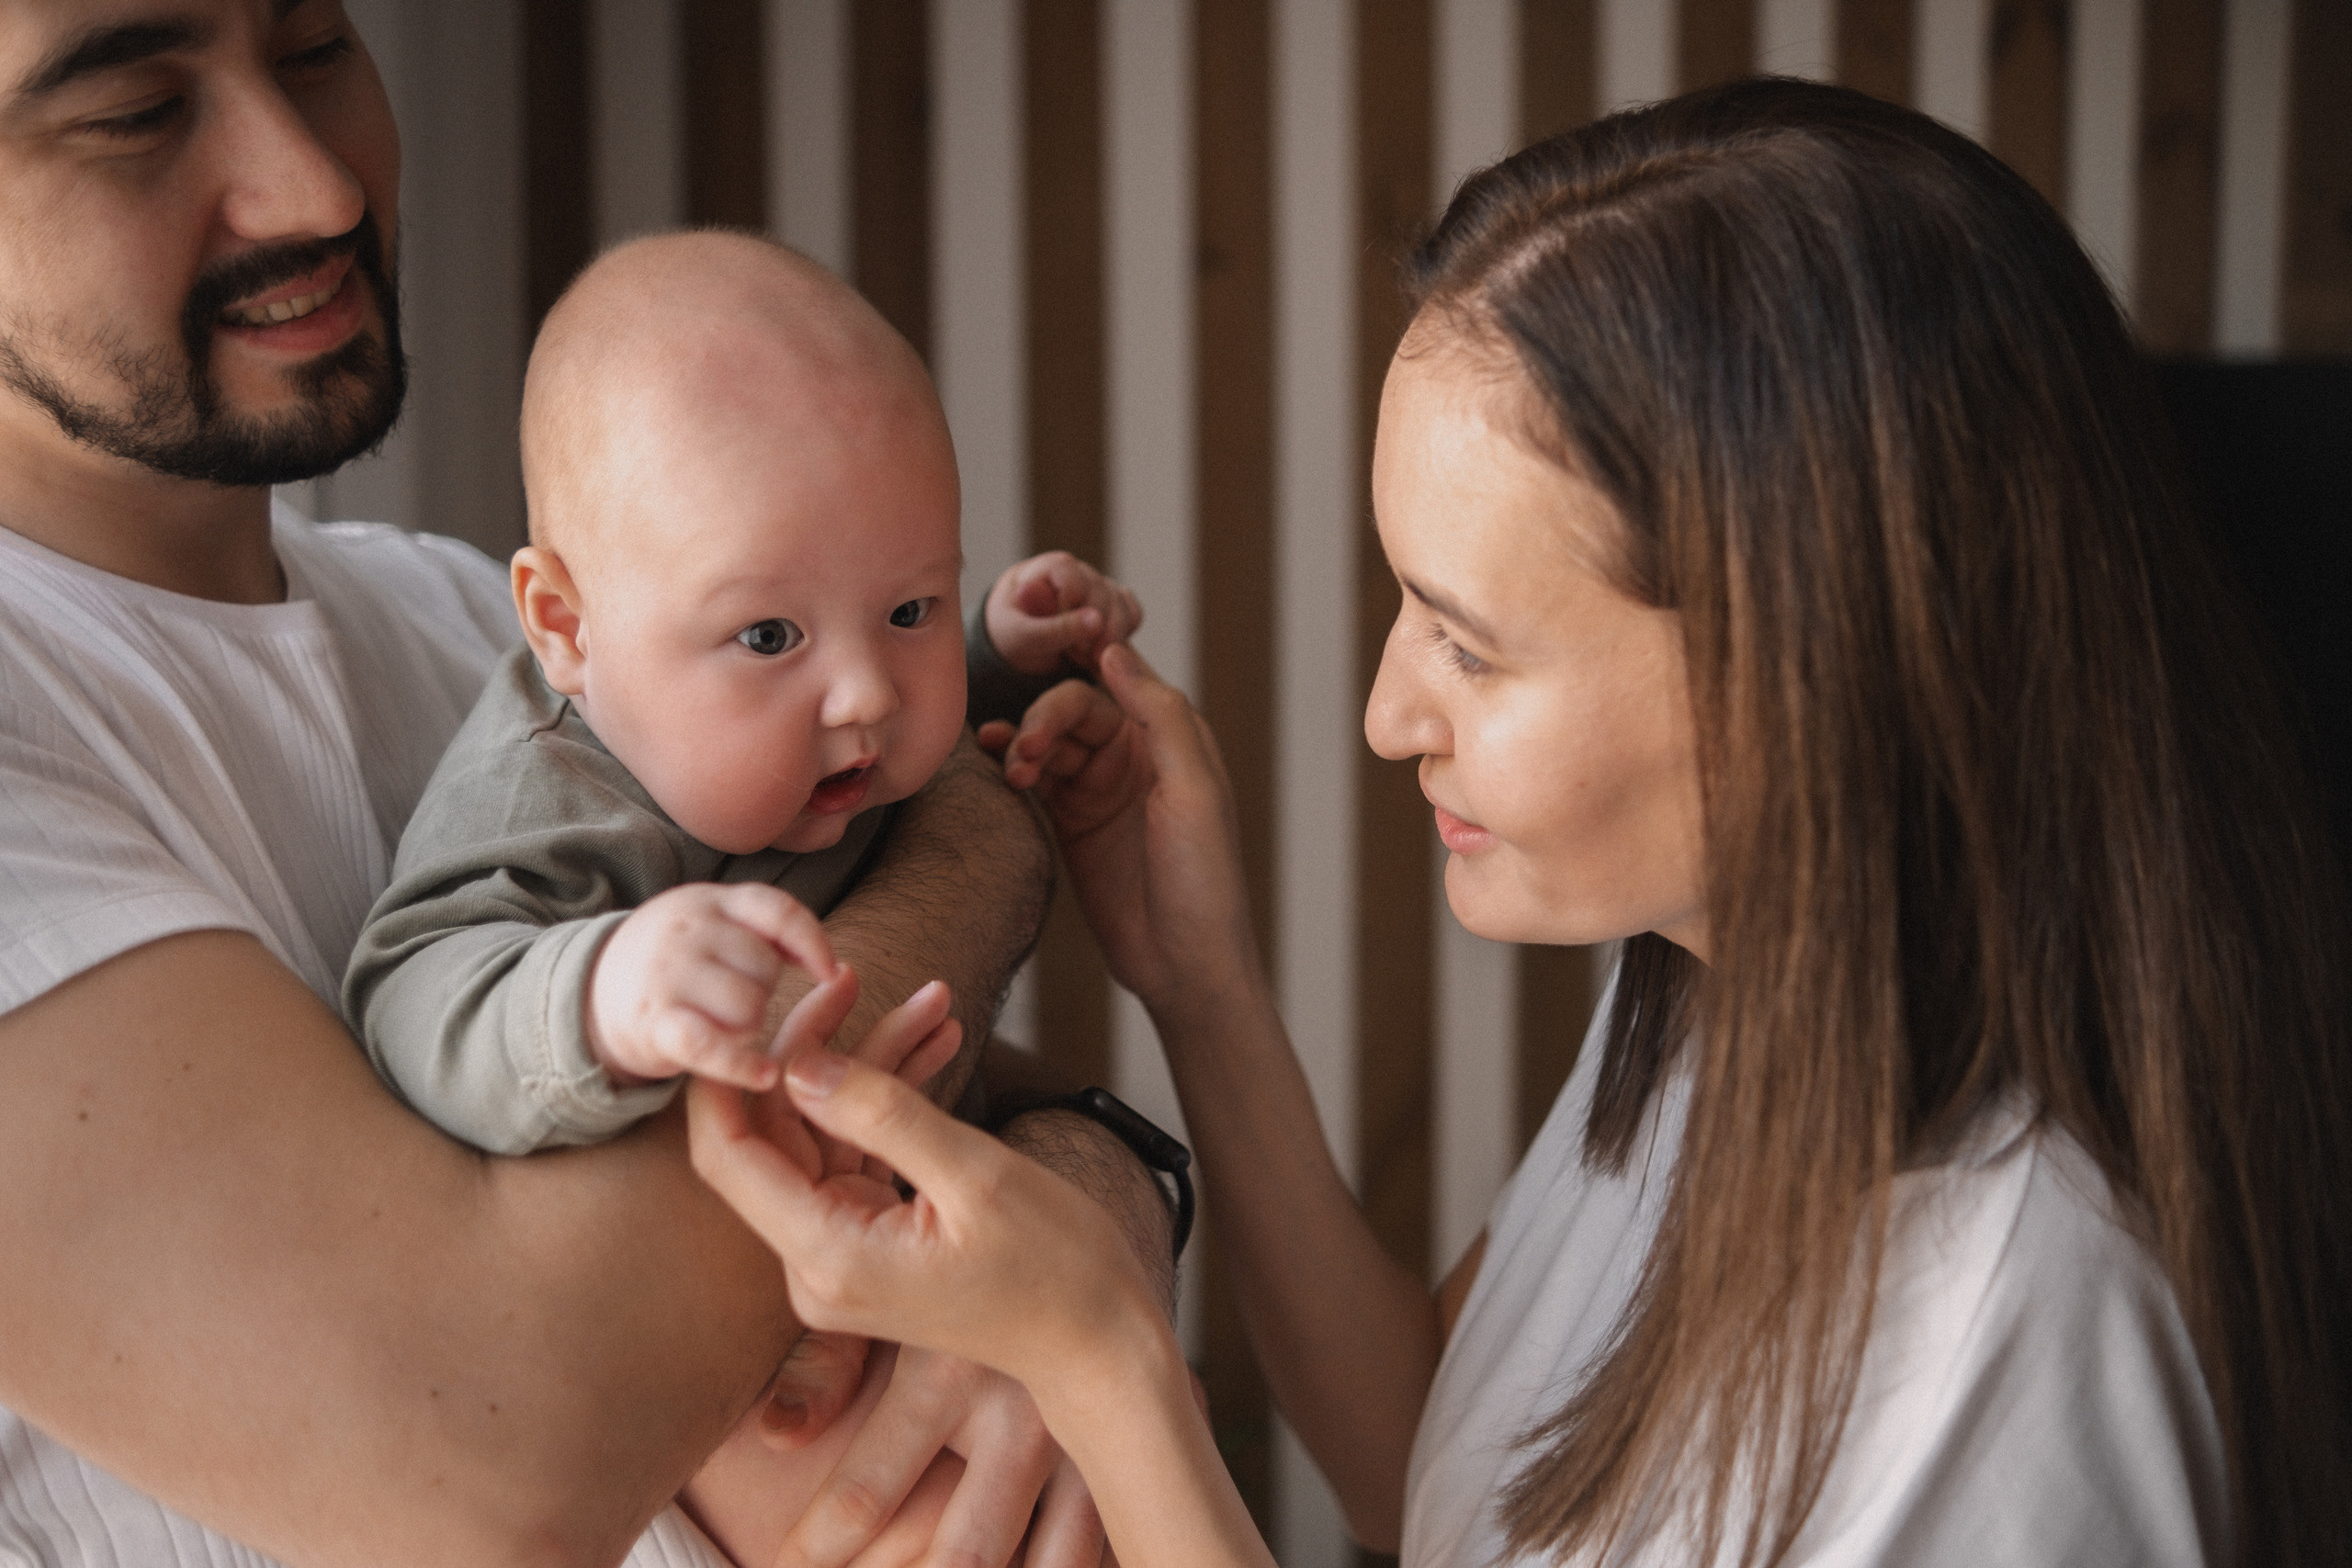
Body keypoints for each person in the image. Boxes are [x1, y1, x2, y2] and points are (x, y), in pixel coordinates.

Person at [688, 78, 2352, 1568]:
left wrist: (1104, 1365)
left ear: (1811, 672)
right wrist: (1200, 985)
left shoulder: (2017, 1341)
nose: (1389, 715)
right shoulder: (1714, 1000)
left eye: (1468, 643)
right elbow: (1442, 1476)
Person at [0, 6, 1165, 1566]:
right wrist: (991, 835)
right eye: (138, 110)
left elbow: (989, 1082)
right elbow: (498, 1459)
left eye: (315, 45)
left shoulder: (474, 622)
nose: (316, 191)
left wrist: (1096, 1213)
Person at [342, 228, 1144, 1561]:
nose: (867, 696)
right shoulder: (552, 798)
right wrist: (602, 988)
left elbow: (906, 740)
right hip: (712, 1381)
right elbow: (414, 985)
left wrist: (1000, 666)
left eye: (911, 607)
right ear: (564, 630)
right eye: (769, 637)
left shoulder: (809, 722)